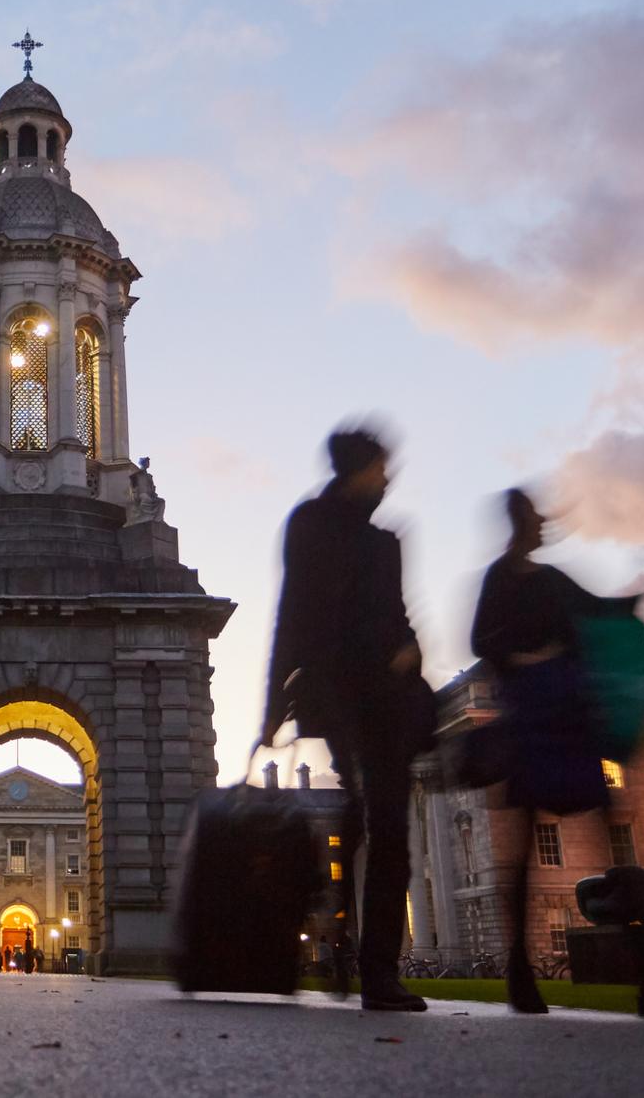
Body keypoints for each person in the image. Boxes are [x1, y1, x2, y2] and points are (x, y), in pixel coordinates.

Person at [264, 424, 432, 1012]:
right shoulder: (311, 525)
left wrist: (411, 652)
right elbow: (293, 614)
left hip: (384, 695)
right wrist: (271, 708)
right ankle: (338, 944)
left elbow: (400, 619)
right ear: (358, 468)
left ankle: (376, 970)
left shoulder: (385, 542)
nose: (388, 477)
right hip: (336, 693)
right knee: (367, 822)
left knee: (384, 827)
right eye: (381, 467)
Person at [471, 488, 642, 1014]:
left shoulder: (551, 579)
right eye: (534, 519)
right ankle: (521, 972)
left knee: (611, 833)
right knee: (522, 845)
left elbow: (601, 609)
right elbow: (482, 641)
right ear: (519, 523)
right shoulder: (501, 578)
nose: (542, 526)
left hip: (569, 713)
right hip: (531, 716)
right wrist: (526, 657)